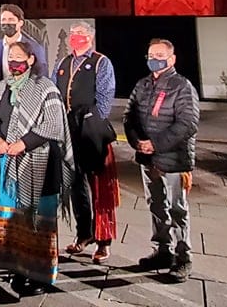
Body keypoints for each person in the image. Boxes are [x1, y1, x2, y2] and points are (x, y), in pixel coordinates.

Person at [0, 41, 75, 296]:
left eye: (19, 58)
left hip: (38, 164)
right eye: (11, 58)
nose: (14, 63)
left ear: (31, 60)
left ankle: (40, 274)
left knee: (36, 221)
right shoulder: (1, 87)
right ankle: (16, 268)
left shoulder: (46, 88)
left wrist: (23, 143)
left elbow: (54, 125)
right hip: (5, 161)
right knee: (11, 218)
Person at [123, 38, 200, 283]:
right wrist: (138, 142)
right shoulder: (143, 85)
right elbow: (129, 116)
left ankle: (183, 257)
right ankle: (162, 251)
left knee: (177, 209)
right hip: (148, 159)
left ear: (172, 58)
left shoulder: (182, 86)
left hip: (174, 159)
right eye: (150, 55)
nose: (154, 59)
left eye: (159, 55)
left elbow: (187, 123)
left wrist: (156, 143)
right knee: (156, 205)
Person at [52, 20, 119, 263]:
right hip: (69, 133)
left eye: (79, 34)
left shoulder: (101, 62)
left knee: (100, 189)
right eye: (72, 34)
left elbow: (104, 98)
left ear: (89, 37)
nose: (75, 37)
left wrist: (92, 123)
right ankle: (84, 234)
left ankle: (103, 241)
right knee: (76, 186)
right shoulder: (63, 62)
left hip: (92, 132)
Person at [0, 4, 48, 99]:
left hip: (27, 101)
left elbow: (42, 77)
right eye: (3, 20)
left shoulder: (35, 48)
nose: (6, 23)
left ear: (20, 23)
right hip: (0, 101)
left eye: (11, 20)